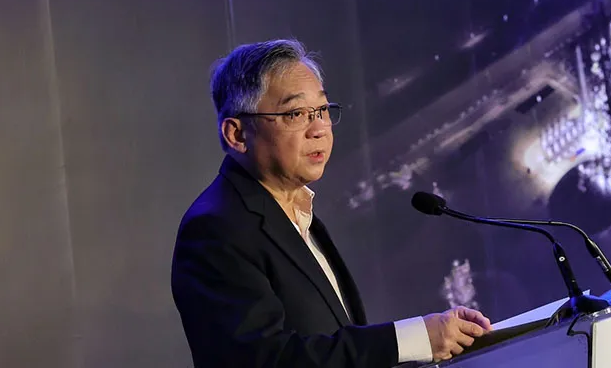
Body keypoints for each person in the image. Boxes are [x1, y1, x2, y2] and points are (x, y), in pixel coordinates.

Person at [171, 39, 491, 367]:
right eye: (296, 113)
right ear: (237, 134)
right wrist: (415, 339)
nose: (320, 129)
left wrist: (435, 337)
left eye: (322, 110)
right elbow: (263, 360)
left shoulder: (298, 214)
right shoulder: (216, 228)